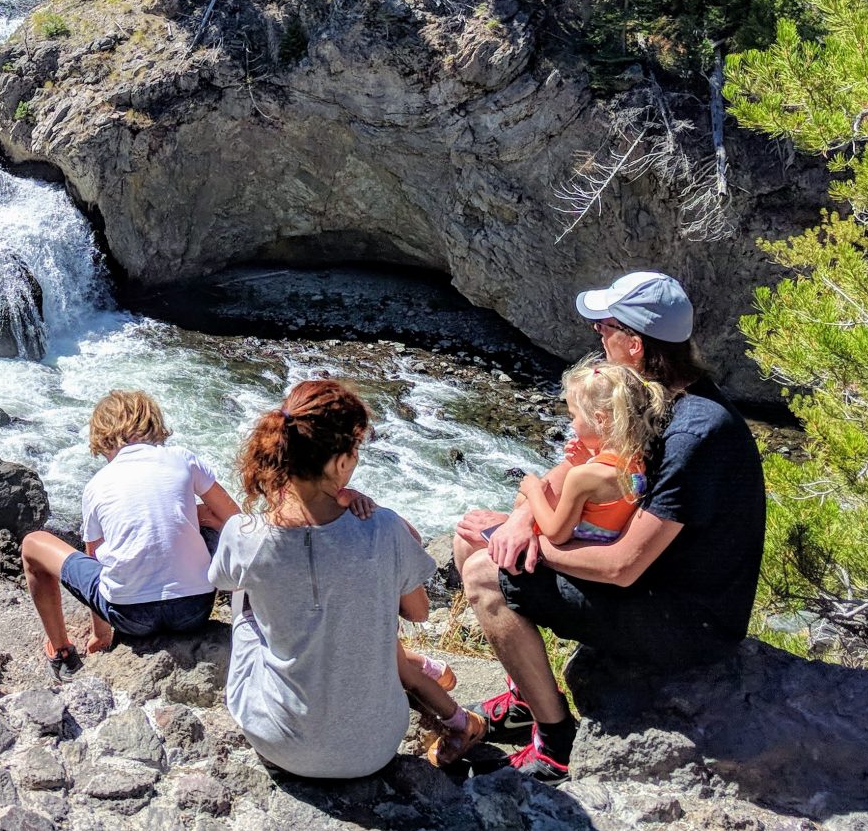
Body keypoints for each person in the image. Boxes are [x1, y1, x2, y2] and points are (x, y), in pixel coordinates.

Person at [453, 271, 767, 783]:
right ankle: (528, 697)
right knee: (473, 542)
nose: (598, 336)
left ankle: (556, 743)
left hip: (685, 621)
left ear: (635, 344)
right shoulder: (650, 396)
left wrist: (528, 541)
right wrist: (518, 519)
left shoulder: (697, 434)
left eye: (605, 328)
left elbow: (622, 567)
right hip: (651, 581)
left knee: (487, 572)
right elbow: (571, 471)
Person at [207, 379, 441, 779]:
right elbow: (418, 612)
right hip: (377, 747)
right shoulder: (382, 527)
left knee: (245, 596)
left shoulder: (245, 535)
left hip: (279, 743)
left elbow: (223, 582)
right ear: (341, 463)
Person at [19, 389, 242, 679]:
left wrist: (102, 634)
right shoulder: (182, 459)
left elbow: (96, 560)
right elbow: (237, 521)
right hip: (194, 610)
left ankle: (63, 653)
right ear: (153, 423)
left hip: (130, 617)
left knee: (32, 543)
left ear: (101, 436)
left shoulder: (96, 485)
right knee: (214, 518)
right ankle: (247, 620)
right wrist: (195, 515)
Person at [516, 362, 670, 545]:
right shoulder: (637, 460)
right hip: (603, 544)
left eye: (574, 416)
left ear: (600, 419)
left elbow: (556, 534)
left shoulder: (583, 477)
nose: (572, 424)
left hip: (574, 553)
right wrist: (589, 461)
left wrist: (534, 491)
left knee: (521, 501)